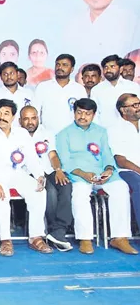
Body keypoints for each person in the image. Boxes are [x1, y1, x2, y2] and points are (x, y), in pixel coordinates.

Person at [55, 98, 136, 255]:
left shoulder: (101, 132)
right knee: (79, 193)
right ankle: (85, 238)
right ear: (74, 113)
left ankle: (120, 238)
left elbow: (107, 154)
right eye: (79, 112)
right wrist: (83, 174)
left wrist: (109, 169)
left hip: (102, 174)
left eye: (87, 114)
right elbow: (64, 161)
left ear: (93, 115)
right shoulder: (64, 134)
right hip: (78, 175)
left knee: (121, 187)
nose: (82, 116)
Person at [0, 100, 51, 256]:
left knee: (39, 191)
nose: (1, 117)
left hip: (17, 173)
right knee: (0, 196)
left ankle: (36, 237)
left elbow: (32, 158)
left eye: (6, 113)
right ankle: (5, 240)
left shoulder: (22, 133)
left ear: (13, 117)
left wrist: (39, 175)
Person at [19, 106, 73, 251]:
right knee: (49, 191)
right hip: (28, 173)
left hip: (48, 170)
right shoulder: (16, 135)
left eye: (33, 118)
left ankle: (59, 231)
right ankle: (52, 229)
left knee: (66, 185)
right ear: (20, 121)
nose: (30, 122)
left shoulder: (47, 133)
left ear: (38, 118)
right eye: (26, 118)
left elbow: (53, 155)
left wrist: (58, 170)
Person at [109, 93, 140, 241]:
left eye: (139, 104)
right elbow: (121, 160)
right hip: (126, 171)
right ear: (123, 110)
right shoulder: (115, 129)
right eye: (134, 105)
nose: (138, 108)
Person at [34, 54, 87, 134]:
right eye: (57, 64)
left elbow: (83, 114)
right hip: (47, 135)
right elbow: (35, 112)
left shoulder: (79, 89)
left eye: (64, 65)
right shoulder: (42, 87)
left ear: (72, 69)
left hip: (72, 135)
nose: (60, 67)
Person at [91, 55, 140, 127]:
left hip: (130, 131)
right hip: (107, 132)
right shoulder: (97, 90)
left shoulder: (133, 87)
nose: (108, 70)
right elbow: (95, 114)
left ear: (121, 69)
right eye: (105, 67)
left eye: (112, 66)